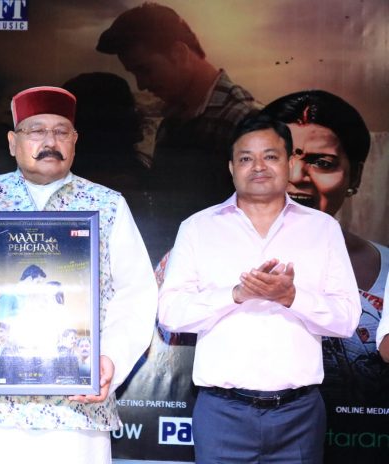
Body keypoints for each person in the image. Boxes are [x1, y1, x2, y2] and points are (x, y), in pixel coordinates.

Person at [0, 86, 158, 464]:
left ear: (75, 141)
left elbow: (137, 294)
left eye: (61, 132)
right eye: (36, 131)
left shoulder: (107, 205)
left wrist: (110, 359)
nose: (49, 142)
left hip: (75, 409)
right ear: (13, 142)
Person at [158, 113, 361, 463]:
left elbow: (347, 320)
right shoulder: (198, 228)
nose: (258, 167)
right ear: (231, 167)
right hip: (222, 412)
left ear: (290, 163)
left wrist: (291, 297)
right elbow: (170, 314)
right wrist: (236, 295)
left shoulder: (323, 229)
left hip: (299, 414)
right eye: (246, 158)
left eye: (270, 156)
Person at [261, 90, 389, 405]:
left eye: (322, 162)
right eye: (279, 157)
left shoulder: (386, 269)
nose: (296, 177)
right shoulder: (207, 250)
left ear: (355, 175)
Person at [96, 2, 261, 202]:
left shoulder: (245, 121)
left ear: (179, 54)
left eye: (145, 70)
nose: (141, 84)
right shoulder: (173, 119)